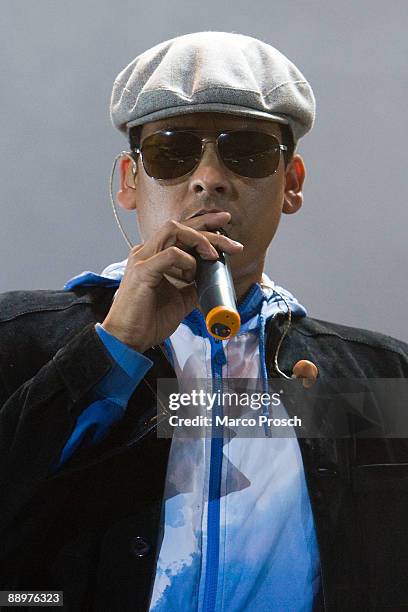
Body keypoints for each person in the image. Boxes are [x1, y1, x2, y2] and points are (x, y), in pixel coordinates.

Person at [0, 31, 407, 612]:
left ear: (290, 183)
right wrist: (113, 349)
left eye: (246, 150)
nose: (209, 177)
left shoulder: (379, 374)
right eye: (172, 151)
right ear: (128, 182)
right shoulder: (16, 339)